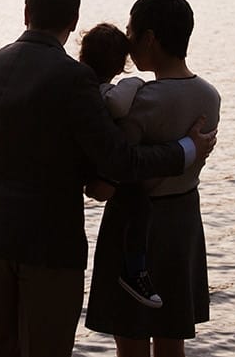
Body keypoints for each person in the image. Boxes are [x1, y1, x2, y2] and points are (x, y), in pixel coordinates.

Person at [0, 0, 217, 357]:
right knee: (47, 348)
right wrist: (186, 148)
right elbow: (119, 161)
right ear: (73, 21)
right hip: (47, 238)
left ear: (26, 13)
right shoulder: (75, 79)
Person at [85, 0, 221, 357]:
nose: (127, 44)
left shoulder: (143, 101)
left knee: (130, 340)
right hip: (183, 221)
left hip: (135, 226)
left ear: (149, 38)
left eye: (131, 33)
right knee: (171, 337)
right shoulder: (210, 96)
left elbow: (107, 179)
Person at [79, 23, 163, 310]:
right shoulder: (103, 91)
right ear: (119, 66)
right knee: (141, 208)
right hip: (105, 167)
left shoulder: (80, 84)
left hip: (93, 166)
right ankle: (135, 270)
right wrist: (136, 82)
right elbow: (118, 106)